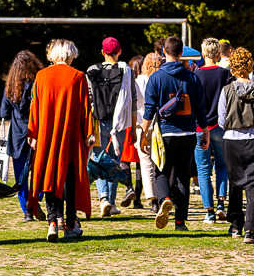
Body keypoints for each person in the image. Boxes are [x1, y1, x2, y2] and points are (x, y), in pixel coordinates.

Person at [26, 38, 93, 242]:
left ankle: (53, 221)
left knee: (50, 176)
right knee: (70, 179)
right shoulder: (78, 77)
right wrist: (89, 133)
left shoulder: (42, 76)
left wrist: (34, 133)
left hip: (47, 136)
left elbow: (35, 107)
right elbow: (85, 109)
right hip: (71, 137)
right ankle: (70, 224)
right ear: (70, 54)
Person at [217, 46, 254, 244]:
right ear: (250, 66)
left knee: (235, 184)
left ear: (232, 68)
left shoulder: (226, 91)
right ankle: (251, 229)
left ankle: (235, 225)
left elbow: (221, 120)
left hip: (232, 141)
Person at [141, 35, 198, 230]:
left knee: (161, 170)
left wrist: (143, 133)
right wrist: (205, 130)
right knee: (183, 176)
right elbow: (201, 107)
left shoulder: (156, 77)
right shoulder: (192, 77)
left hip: (165, 132)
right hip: (188, 133)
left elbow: (149, 109)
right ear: (182, 53)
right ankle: (180, 222)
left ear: (164, 52)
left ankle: (165, 198)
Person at [84, 37, 132, 217]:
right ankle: (110, 202)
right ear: (119, 51)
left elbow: (88, 97)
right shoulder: (125, 71)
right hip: (119, 121)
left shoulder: (91, 71)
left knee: (97, 157)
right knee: (114, 160)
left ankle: (103, 197)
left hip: (98, 119)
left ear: (102, 52)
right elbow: (133, 99)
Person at [190, 39, 232, 224]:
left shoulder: (196, 75)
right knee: (222, 165)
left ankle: (209, 210)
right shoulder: (224, 74)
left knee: (203, 169)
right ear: (217, 53)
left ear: (203, 53)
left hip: (201, 126)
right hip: (221, 126)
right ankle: (221, 202)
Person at [0, 49, 42, 221]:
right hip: (37, 132)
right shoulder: (38, 83)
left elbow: (4, 111)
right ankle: (36, 200)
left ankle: (26, 210)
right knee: (39, 170)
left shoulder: (10, 86)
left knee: (21, 175)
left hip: (17, 135)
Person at [132, 52, 161, 204]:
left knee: (145, 161)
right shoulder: (161, 79)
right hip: (159, 123)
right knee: (160, 160)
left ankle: (152, 197)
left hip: (142, 124)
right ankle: (163, 193)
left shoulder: (139, 81)